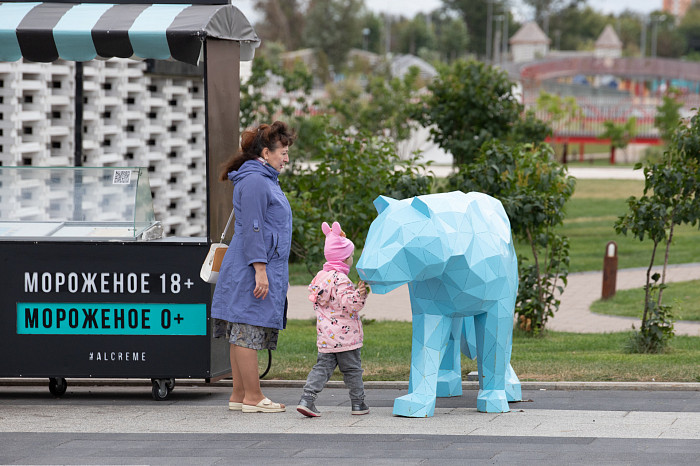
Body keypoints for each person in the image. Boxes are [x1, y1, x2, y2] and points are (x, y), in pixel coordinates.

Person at [211, 121, 296, 413]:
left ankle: (239, 394)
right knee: (247, 330)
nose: (286, 158)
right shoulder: (257, 181)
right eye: (283, 152)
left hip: (248, 265)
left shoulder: (259, 178)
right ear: (265, 152)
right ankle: (254, 396)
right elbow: (254, 228)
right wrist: (260, 269)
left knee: (240, 330)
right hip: (252, 268)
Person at [296, 221, 369, 417]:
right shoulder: (342, 280)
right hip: (346, 338)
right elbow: (351, 304)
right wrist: (360, 294)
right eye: (351, 256)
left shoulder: (321, 277)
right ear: (345, 259)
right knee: (352, 370)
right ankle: (358, 404)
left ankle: (307, 399)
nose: (352, 258)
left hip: (327, 336)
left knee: (322, 367)